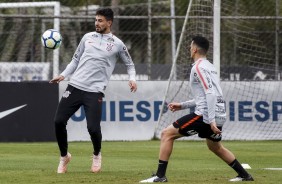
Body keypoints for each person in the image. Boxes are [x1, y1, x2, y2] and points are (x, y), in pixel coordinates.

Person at [140, 36, 253, 183]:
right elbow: (207, 96)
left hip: (206, 116)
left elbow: (210, 94)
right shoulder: (210, 67)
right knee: (215, 147)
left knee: (167, 134)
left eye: (190, 47)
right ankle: (245, 175)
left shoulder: (198, 67)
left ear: (194, 49)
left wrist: (210, 120)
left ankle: (160, 176)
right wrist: (182, 105)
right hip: (219, 113)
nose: (189, 49)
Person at [50, 8, 137, 174]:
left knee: (93, 129)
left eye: (100, 20)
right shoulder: (87, 37)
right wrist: (63, 75)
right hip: (74, 86)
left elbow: (130, 64)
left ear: (109, 22)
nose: (97, 23)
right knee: (58, 121)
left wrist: (132, 78)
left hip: (94, 91)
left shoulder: (117, 44)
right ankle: (64, 157)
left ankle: (97, 154)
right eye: (96, 20)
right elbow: (75, 60)